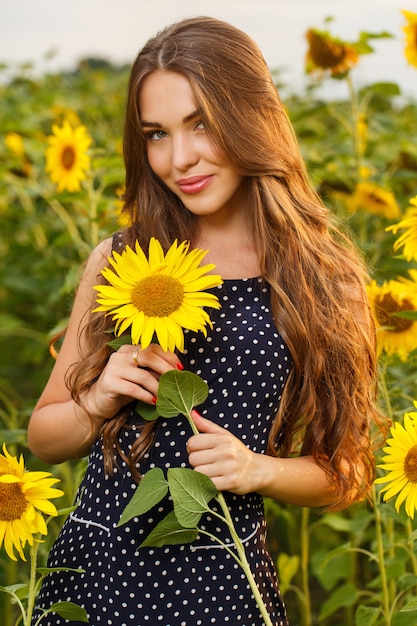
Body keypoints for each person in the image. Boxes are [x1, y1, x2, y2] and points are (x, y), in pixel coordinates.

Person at [28, 16, 382, 626]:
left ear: (250, 118)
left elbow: (347, 471)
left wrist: (258, 469)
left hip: (223, 581)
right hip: (94, 575)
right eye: (156, 134)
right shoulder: (122, 260)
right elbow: (43, 437)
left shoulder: (327, 283)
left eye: (201, 124)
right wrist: (98, 398)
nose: (179, 158)